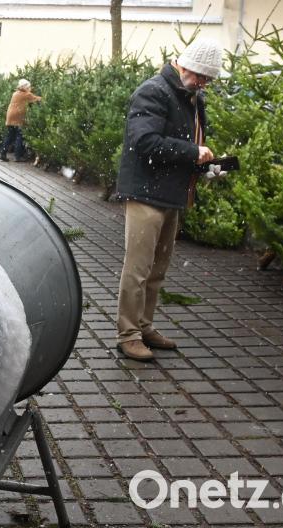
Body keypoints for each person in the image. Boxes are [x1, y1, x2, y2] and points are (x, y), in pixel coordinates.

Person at [115, 38, 225, 361]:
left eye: (208, 80)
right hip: (146, 194)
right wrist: (193, 152)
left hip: (172, 195)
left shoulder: (192, 97)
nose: (204, 85)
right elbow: (145, 141)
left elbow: (187, 143)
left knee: (157, 269)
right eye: (202, 77)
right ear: (185, 65)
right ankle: (128, 334)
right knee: (138, 268)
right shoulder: (153, 91)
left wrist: (206, 166)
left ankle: (144, 326)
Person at [0, 79, 41, 162]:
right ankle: (17, 157)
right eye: (28, 87)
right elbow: (37, 99)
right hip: (17, 118)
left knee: (10, 136)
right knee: (19, 137)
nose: (30, 88)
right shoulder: (26, 94)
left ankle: (3, 153)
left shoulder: (15, 93)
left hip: (10, 117)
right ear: (24, 87)